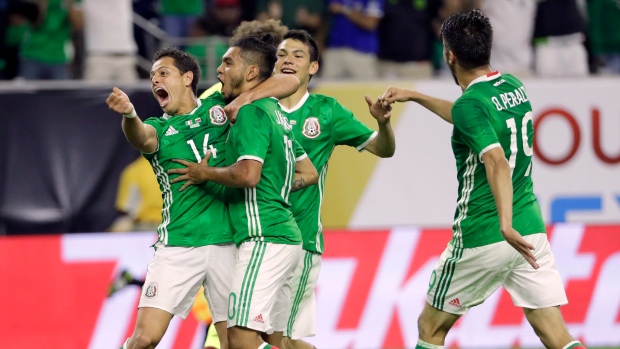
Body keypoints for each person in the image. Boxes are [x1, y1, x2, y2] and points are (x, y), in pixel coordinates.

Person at [380, 9, 587, 349]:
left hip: (487, 232)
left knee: (430, 327)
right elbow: (469, 116)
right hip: (530, 231)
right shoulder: (512, 86)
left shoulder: (471, 104)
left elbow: (496, 160)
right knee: (556, 335)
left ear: (449, 55)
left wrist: (504, 224)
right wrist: (416, 96)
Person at [105, 47, 300, 349]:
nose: (155, 78)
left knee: (235, 343)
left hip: (228, 245)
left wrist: (246, 98)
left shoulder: (218, 104)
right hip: (178, 246)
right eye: (152, 75)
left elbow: (290, 82)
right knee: (144, 339)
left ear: (187, 78)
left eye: (163, 72)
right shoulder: (160, 128)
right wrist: (130, 114)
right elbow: (139, 136)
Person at [168, 35, 319, 349]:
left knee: (238, 336)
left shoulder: (246, 111)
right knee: (276, 338)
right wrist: (276, 182)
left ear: (251, 72)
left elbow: (248, 175)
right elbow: (308, 172)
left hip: (263, 235)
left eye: (227, 62)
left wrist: (203, 173)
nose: (219, 70)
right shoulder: (273, 111)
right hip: (282, 236)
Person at [271, 29, 395, 349]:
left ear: (313, 68)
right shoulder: (256, 109)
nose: (288, 59)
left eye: (298, 55)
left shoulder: (327, 111)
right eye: (282, 54)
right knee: (264, 337)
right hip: (255, 238)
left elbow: (383, 149)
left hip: (300, 239)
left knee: (281, 338)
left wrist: (383, 124)